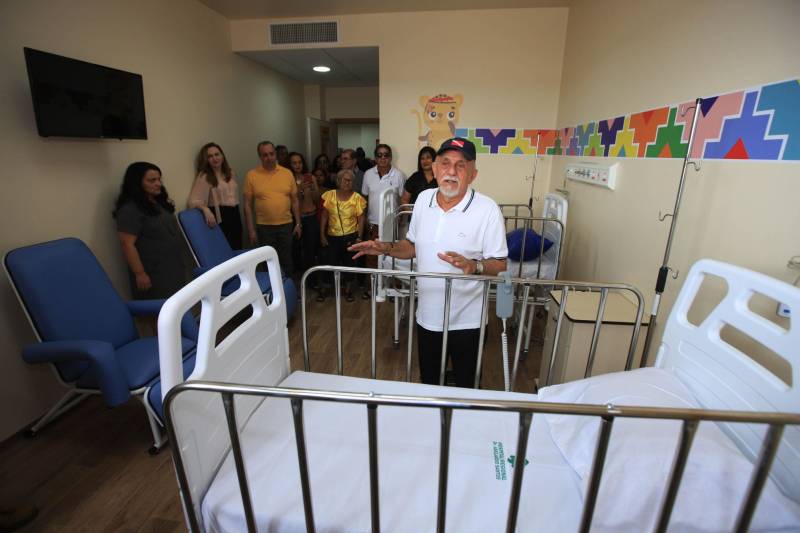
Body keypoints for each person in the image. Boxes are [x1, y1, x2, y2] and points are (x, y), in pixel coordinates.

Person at [351, 138, 508, 388]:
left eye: (461, 165)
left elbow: (500, 264)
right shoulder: (423, 200)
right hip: (427, 317)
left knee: (468, 386)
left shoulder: (487, 210)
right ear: (434, 169)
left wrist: (475, 266)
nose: (452, 172)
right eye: (445, 163)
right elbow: (412, 247)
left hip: (468, 321)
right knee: (429, 382)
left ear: (473, 174)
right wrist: (386, 247)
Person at [114, 162, 189, 299]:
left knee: (179, 305)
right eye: (152, 180)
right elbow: (127, 244)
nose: (158, 184)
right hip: (154, 272)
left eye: (159, 179)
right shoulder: (129, 210)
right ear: (137, 183)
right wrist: (140, 273)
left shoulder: (158, 203)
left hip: (173, 266)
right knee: (161, 312)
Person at [243, 141, 301, 277]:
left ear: (275, 154)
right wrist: (251, 230)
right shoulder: (252, 175)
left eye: (271, 154)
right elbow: (247, 205)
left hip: (286, 225)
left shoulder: (287, 173)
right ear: (260, 157)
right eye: (265, 155)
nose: (269, 158)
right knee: (267, 262)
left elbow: (295, 201)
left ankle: (288, 291)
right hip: (264, 228)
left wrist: (298, 223)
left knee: (287, 260)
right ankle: (271, 294)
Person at [319, 169, 366, 302]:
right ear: (338, 181)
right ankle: (326, 288)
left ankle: (348, 289)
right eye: (345, 180)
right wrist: (321, 235)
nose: (347, 182)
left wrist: (359, 237)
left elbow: (361, 219)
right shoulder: (329, 196)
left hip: (351, 236)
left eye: (350, 180)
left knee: (349, 263)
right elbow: (324, 216)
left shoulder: (357, 198)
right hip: (332, 236)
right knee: (329, 262)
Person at [360, 144, 406, 273]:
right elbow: (364, 200)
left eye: (386, 155)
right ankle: (372, 289)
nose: (383, 158)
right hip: (372, 224)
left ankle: (388, 288)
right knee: (371, 256)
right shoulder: (368, 174)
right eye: (379, 155)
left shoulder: (399, 175)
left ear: (391, 157)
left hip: (390, 224)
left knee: (390, 257)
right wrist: (363, 221)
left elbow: (403, 201)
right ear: (375, 158)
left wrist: (401, 219)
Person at [187, 142, 243, 249]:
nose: (215, 158)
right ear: (206, 160)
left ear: (222, 155)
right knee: (224, 252)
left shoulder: (230, 173)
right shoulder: (204, 176)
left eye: (217, 154)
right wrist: (205, 209)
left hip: (235, 215)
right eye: (210, 156)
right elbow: (192, 201)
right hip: (220, 217)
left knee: (237, 248)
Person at [289, 151, 320, 284]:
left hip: (311, 217)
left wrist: (313, 188)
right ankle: (296, 281)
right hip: (296, 219)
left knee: (311, 250)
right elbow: (293, 202)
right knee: (294, 250)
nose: (298, 165)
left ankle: (311, 280)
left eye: (300, 162)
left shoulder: (310, 177)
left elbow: (317, 200)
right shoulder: (288, 179)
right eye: (294, 163)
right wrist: (300, 189)